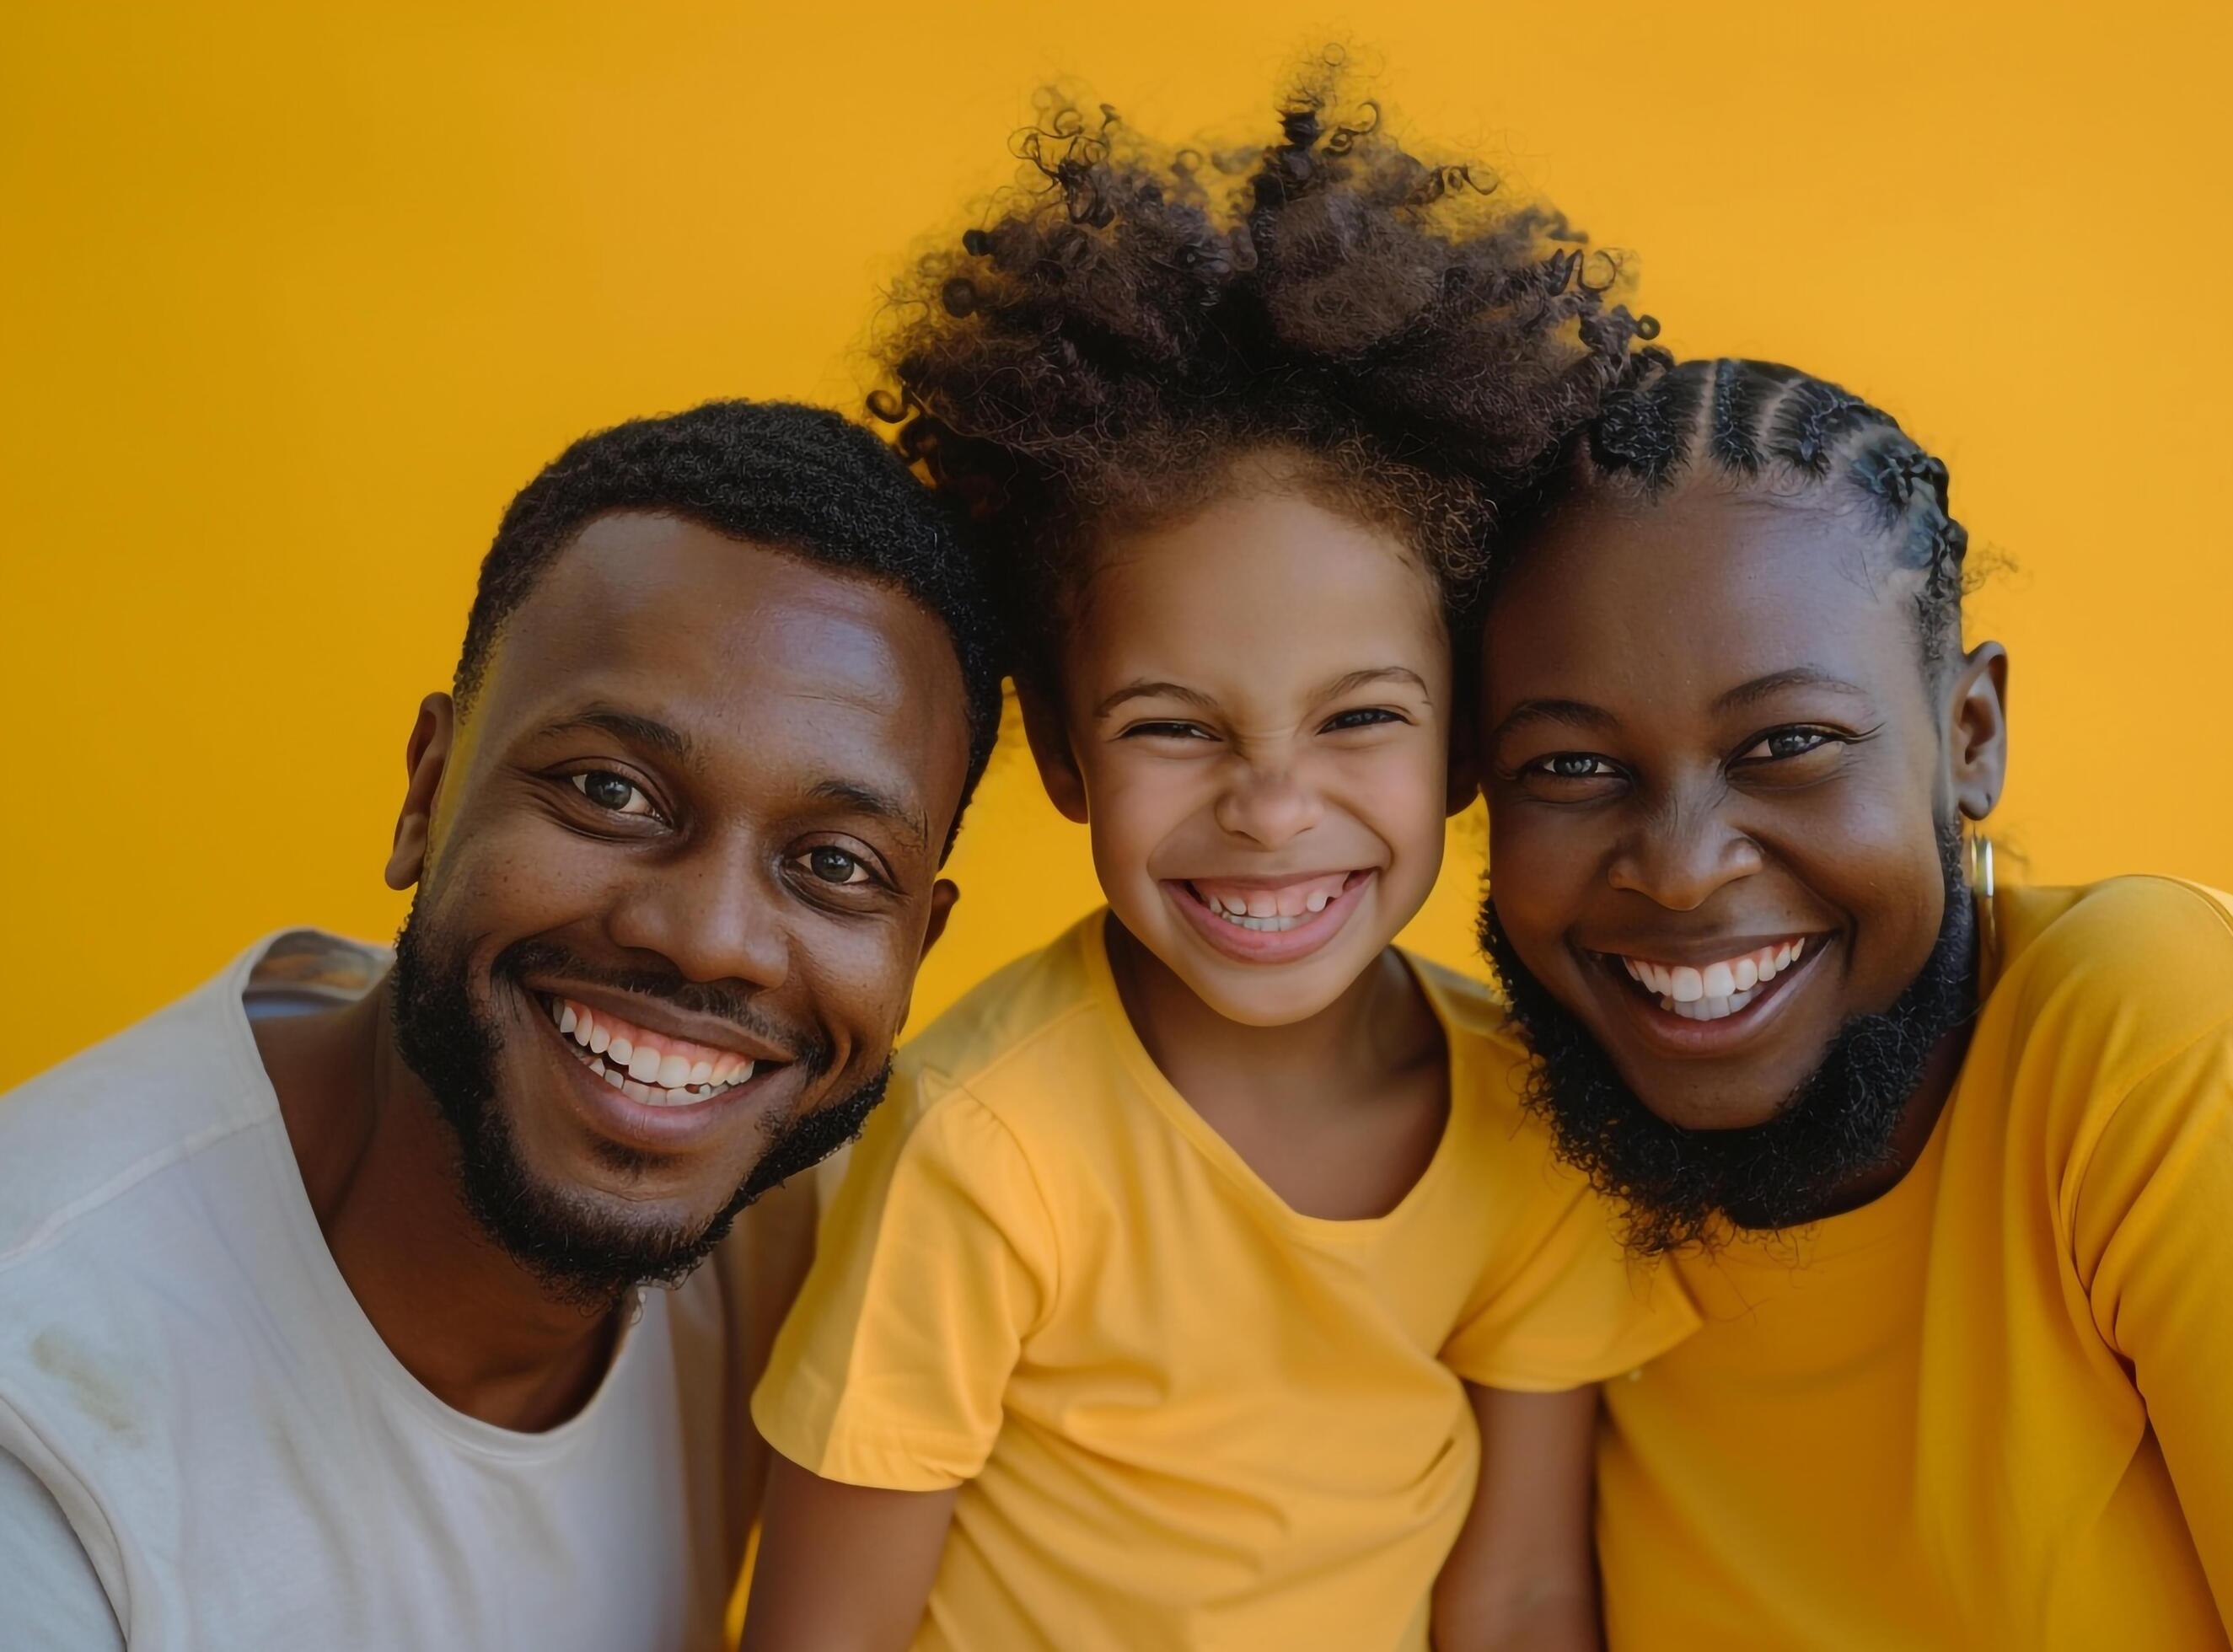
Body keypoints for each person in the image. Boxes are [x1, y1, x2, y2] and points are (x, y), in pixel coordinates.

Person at [740, 82, 1692, 1652]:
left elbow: (1520, 1592)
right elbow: (818, 1634)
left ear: (1467, 736)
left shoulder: (1533, 1118)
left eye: (1359, 719)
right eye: (1176, 728)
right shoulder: (989, 1149)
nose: (1269, 808)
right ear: (1060, 751)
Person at [1473, 357, 2233, 1648]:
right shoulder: (1515, 1138)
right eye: (1568, 764)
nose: (1678, 871)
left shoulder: (2159, 1036)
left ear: (1971, 734)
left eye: (1787, 744)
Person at [0, 400, 1005, 1649]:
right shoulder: (40, 1415)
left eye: (838, 865)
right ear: (427, 787)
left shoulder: (880, 1237)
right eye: (611, 791)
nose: (707, 937)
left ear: (919, 947)